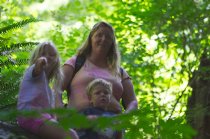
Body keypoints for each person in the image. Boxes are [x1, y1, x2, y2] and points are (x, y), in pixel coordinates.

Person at [62, 21, 138, 114]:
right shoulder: (76, 63)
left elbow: (132, 102)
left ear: (112, 44)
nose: (103, 39)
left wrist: (124, 118)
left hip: (111, 124)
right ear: (91, 39)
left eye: (108, 37)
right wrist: (61, 115)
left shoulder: (120, 72)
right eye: (99, 35)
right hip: (78, 122)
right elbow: (56, 91)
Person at [17, 42, 79, 139]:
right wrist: (41, 61)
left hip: (41, 118)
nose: (47, 56)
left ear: (57, 61)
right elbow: (37, 68)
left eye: (52, 55)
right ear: (36, 57)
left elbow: (51, 114)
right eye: (43, 54)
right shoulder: (33, 71)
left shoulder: (48, 90)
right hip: (30, 116)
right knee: (71, 135)